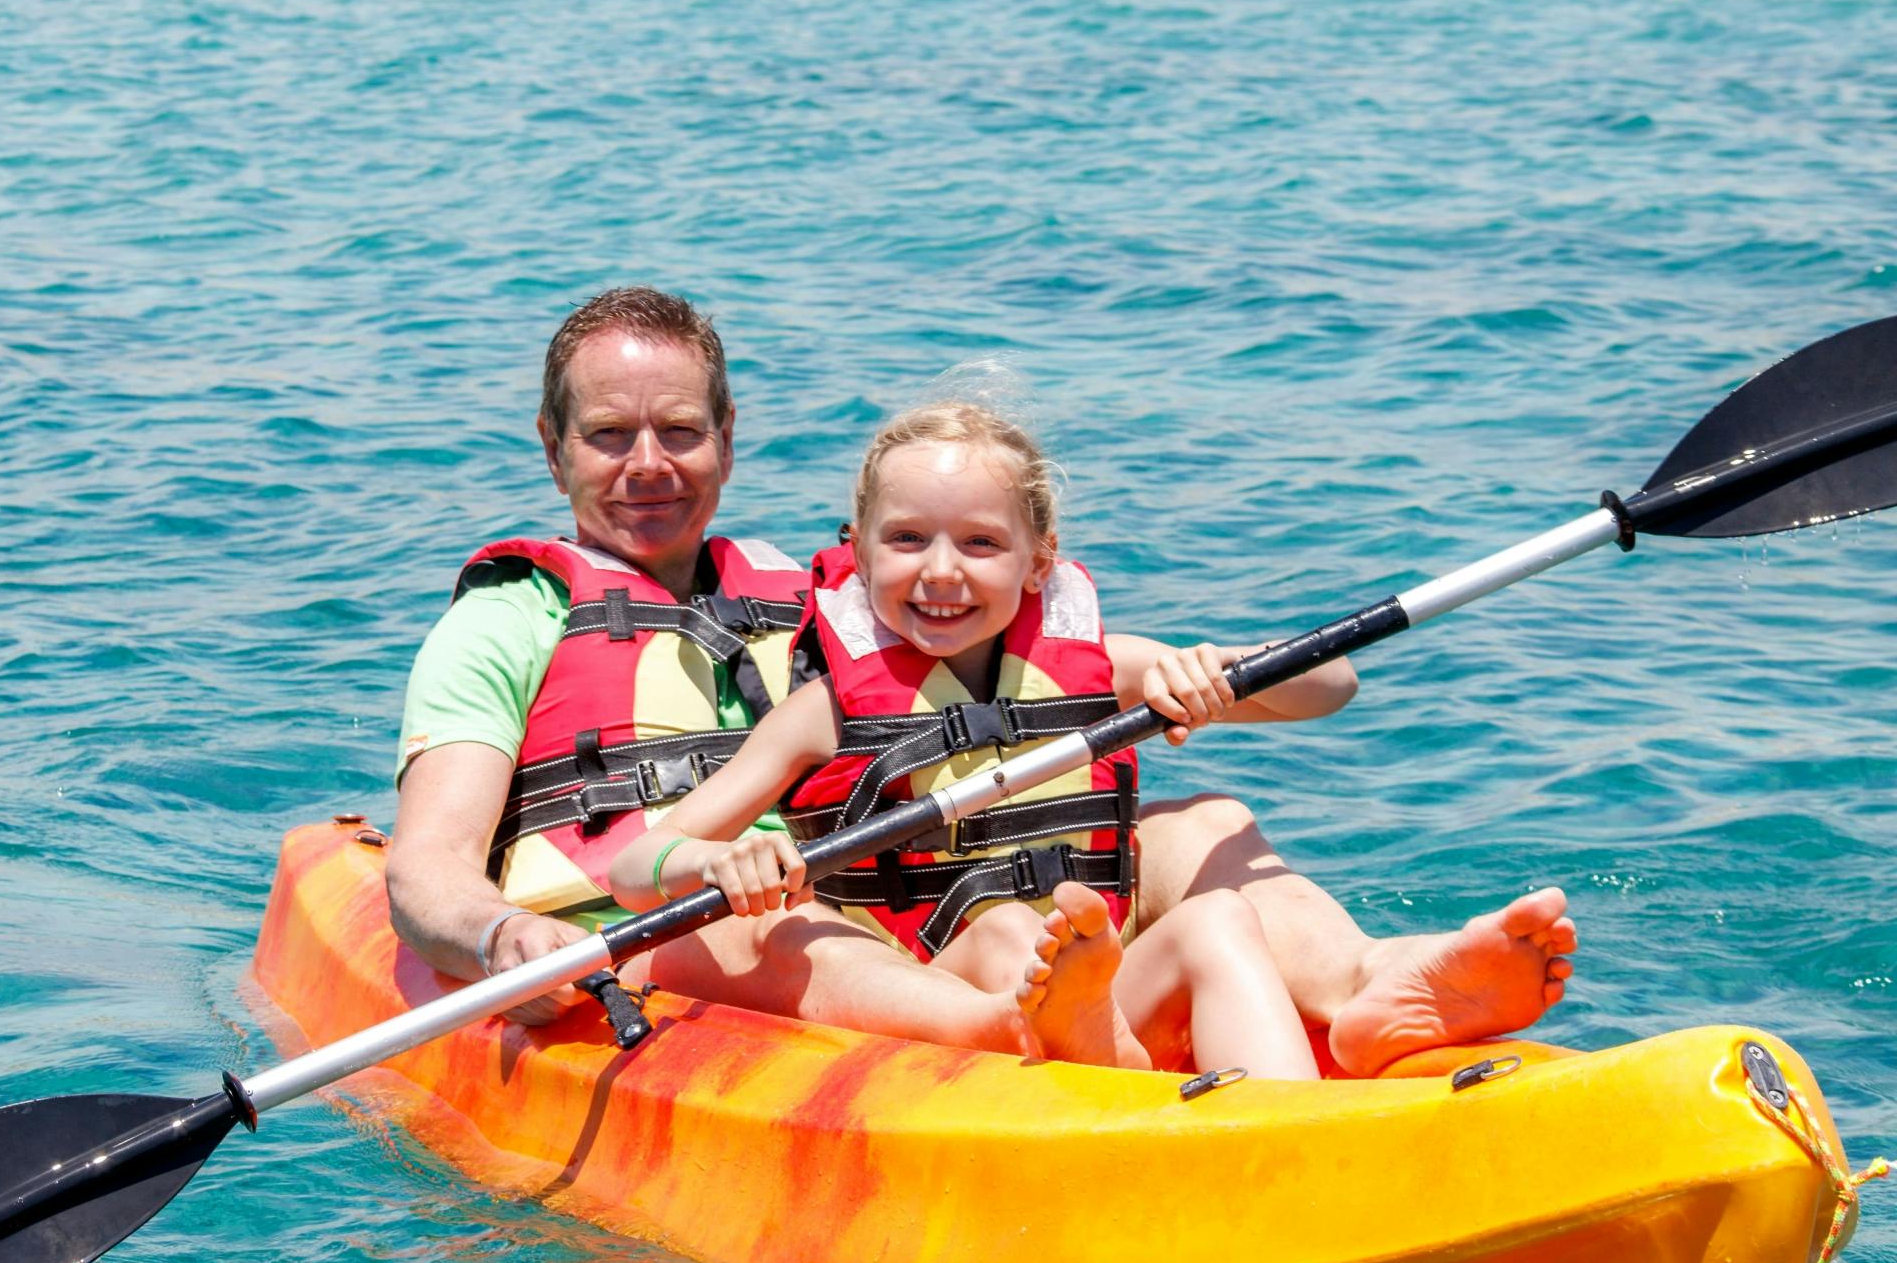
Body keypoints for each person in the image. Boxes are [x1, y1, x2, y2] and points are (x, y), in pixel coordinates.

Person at [386, 285, 1575, 1065]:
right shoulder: (507, 626)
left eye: (680, 432)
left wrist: (1201, 678)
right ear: (553, 450)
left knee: (1194, 820)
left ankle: (1371, 987)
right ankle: (1021, 1033)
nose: (647, 465)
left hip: (902, 876)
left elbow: (978, 661)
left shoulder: (825, 591)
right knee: (797, 934)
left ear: (728, 436)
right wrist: (497, 943)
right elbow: (428, 872)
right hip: (667, 919)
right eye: (607, 436)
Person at [607, 400, 1344, 1070]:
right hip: (948, 1004)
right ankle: (1090, 1051)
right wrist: (723, 860)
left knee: (1217, 918)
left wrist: (1210, 672)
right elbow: (636, 871)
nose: (940, 571)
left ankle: (1294, 1141)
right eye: (907, 539)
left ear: (1040, 562)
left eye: (980, 543)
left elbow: (1331, 685)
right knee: (1007, 933)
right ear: (860, 556)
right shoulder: (822, 713)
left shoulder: (1107, 666)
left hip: (1097, 986)